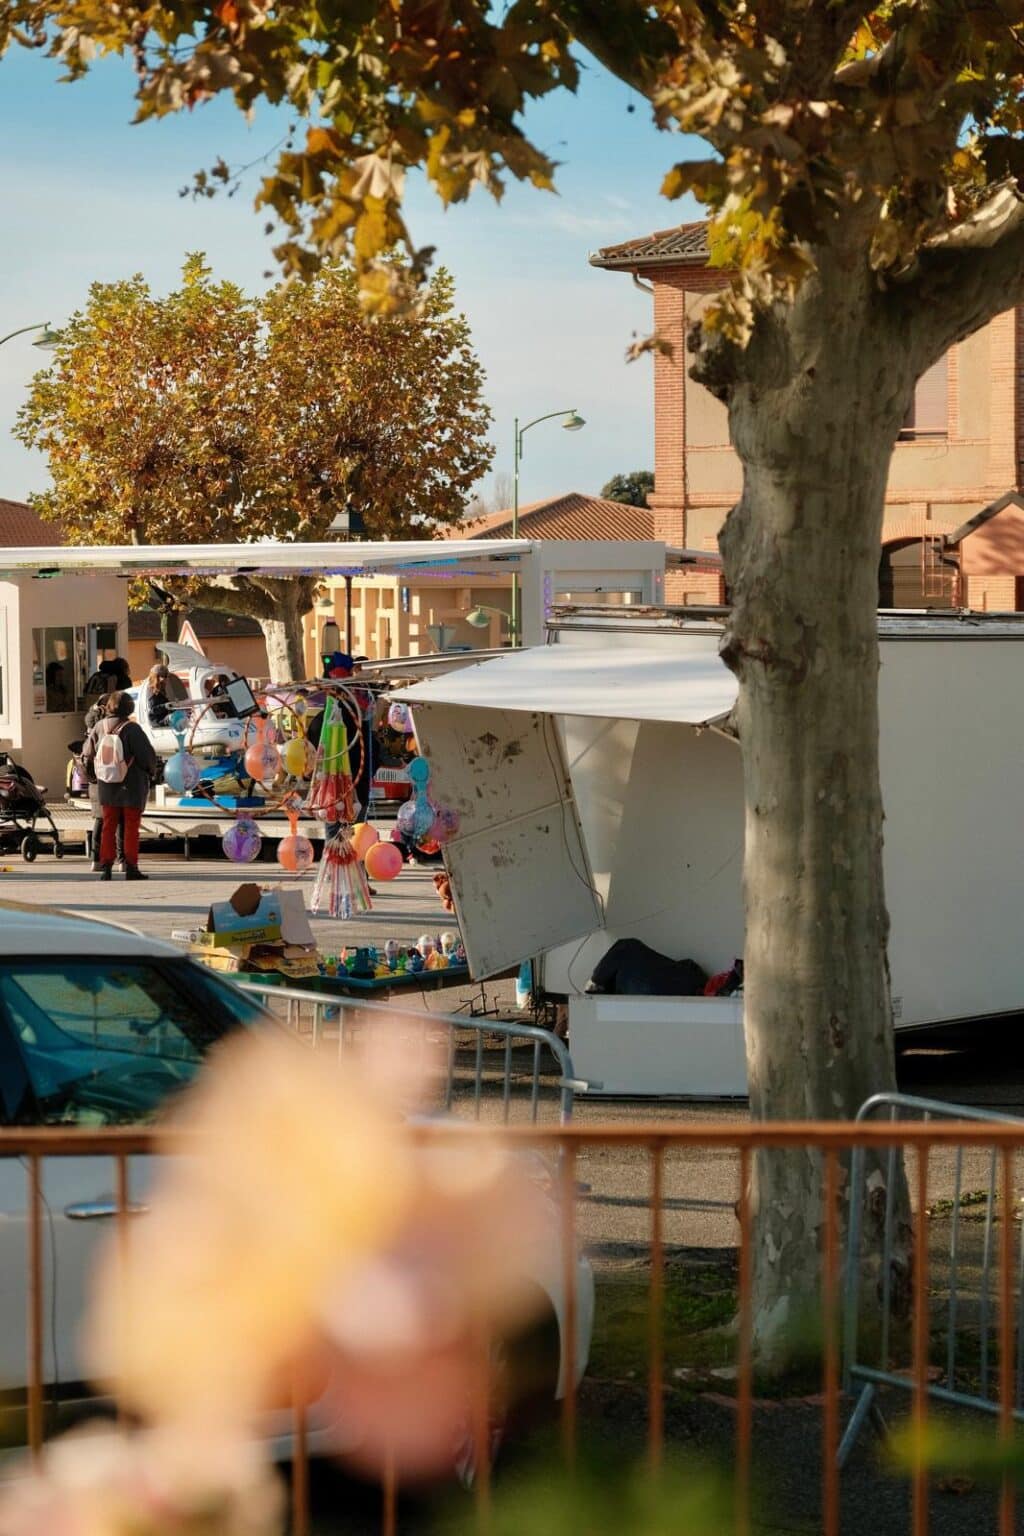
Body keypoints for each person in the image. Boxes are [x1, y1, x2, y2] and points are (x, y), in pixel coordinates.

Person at [81, 690, 158, 881]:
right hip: (131, 785)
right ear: (129, 708)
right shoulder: (132, 729)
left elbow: (87, 754)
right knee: (131, 826)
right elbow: (147, 756)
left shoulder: (99, 727)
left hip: (106, 784)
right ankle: (130, 866)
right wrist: (151, 772)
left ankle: (105, 866)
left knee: (108, 824)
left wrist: (93, 776)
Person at [147, 664, 172, 729]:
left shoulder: (162, 687)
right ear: (158, 676)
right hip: (157, 722)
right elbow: (153, 710)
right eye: (165, 676)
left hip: (163, 720)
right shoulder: (151, 689)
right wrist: (165, 706)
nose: (166, 679)